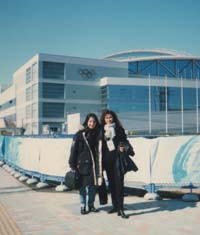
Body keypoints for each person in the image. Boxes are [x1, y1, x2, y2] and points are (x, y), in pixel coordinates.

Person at [68, 113, 102, 215]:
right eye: (90, 121)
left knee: (93, 186)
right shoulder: (80, 134)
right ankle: (83, 205)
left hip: (94, 165)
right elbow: (73, 150)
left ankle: (91, 205)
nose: (92, 123)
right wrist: (72, 163)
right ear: (87, 122)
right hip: (81, 165)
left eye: (94, 122)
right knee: (82, 187)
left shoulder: (98, 134)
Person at [100, 109, 131, 219]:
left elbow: (125, 141)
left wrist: (122, 146)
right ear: (104, 119)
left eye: (110, 117)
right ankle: (115, 206)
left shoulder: (119, 129)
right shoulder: (101, 130)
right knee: (112, 184)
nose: (109, 119)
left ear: (114, 118)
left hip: (118, 159)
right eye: (107, 118)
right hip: (107, 161)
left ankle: (121, 208)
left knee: (119, 184)